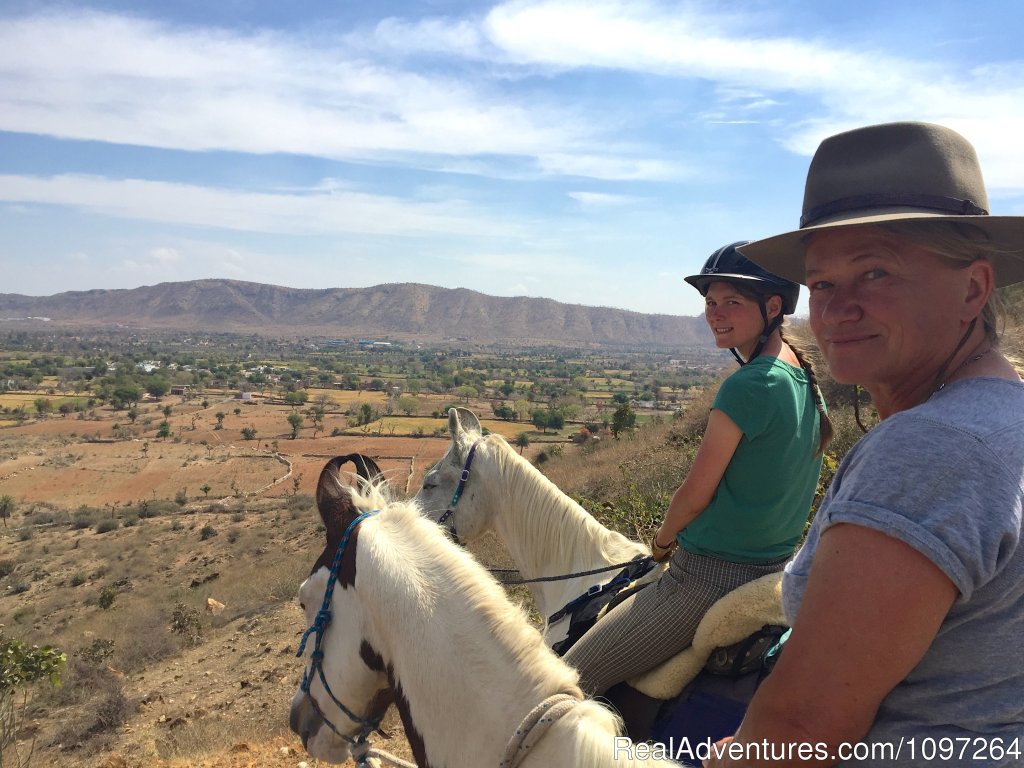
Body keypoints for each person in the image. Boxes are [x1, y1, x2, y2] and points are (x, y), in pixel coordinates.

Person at [707, 122, 1024, 767]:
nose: (836, 310)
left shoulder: (932, 447)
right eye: (822, 284)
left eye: (875, 272)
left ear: (973, 288)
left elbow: (797, 736)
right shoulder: (1003, 416)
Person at [561, 242, 832, 696]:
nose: (716, 313)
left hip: (707, 577)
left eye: (732, 302)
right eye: (710, 302)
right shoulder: (802, 377)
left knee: (560, 684)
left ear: (772, 306)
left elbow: (695, 494)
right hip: (774, 567)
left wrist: (663, 542)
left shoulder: (749, 385)